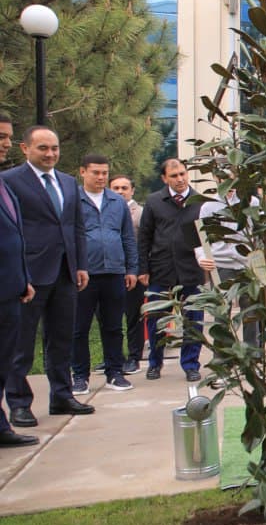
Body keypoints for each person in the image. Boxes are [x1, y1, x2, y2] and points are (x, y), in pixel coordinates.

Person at [0, 125, 93, 426]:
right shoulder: (9, 181)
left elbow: (75, 226)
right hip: (30, 275)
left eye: (54, 148)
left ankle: (62, 395)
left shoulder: (67, 182)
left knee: (61, 338)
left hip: (66, 272)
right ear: (25, 149)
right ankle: (19, 403)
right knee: (22, 343)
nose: (50, 153)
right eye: (43, 148)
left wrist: (79, 264)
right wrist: (21, 273)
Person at [71, 154, 138, 394]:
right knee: (79, 328)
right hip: (84, 274)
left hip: (114, 272)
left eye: (104, 173)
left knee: (113, 327)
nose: (100, 177)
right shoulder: (73, 200)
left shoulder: (117, 202)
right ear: (83, 172)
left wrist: (131, 269)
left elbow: (128, 238)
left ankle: (115, 373)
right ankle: (80, 376)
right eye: (95, 172)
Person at [136, 159, 204, 381]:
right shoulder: (154, 202)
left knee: (193, 319)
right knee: (156, 318)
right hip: (161, 269)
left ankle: (191, 364)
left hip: (191, 271)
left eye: (183, 174)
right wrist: (143, 268)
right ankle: (155, 363)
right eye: (174, 176)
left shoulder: (199, 202)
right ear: (164, 178)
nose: (180, 179)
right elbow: (144, 237)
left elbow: (206, 238)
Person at [0, 115, 39, 446]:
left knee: (4, 359)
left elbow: (15, 236)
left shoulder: (3, 185)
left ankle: (0, 426)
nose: (6, 143)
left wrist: (23, 277)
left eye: (8, 137)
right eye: (1, 137)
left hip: (10, 289)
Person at [193, 184, 260, 348]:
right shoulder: (208, 206)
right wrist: (201, 257)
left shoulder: (251, 203)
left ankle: (253, 357)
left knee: (251, 312)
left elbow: (260, 234)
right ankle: (222, 359)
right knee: (222, 313)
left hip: (247, 265)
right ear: (216, 179)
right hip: (220, 264)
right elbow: (200, 238)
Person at [109, 174, 145, 373]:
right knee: (110, 319)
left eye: (124, 187)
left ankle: (134, 357)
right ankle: (113, 357)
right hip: (108, 271)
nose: (120, 191)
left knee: (133, 317)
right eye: (116, 188)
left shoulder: (140, 213)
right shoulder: (105, 210)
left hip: (133, 272)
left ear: (132, 190)